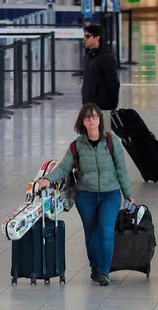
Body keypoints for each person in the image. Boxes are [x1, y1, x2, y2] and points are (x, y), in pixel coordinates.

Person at [45, 104, 134, 287]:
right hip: (86, 196)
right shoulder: (76, 146)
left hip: (111, 194)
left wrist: (128, 194)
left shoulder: (110, 141)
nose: (91, 120)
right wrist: (46, 179)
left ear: (100, 120)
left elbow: (121, 170)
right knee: (91, 234)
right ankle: (95, 267)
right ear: (82, 122)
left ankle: (103, 271)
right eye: (87, 118)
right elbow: (63, 168)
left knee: (106, 232)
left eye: (94, 117)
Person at [80, 24, 120, 111]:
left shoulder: (106, 57)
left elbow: (113, 83)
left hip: (102, 106)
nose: (84, 39)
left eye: (87, 36)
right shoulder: (88, 56)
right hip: (88, 104)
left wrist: (113, 105)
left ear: (97, 38)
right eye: (84, 36)